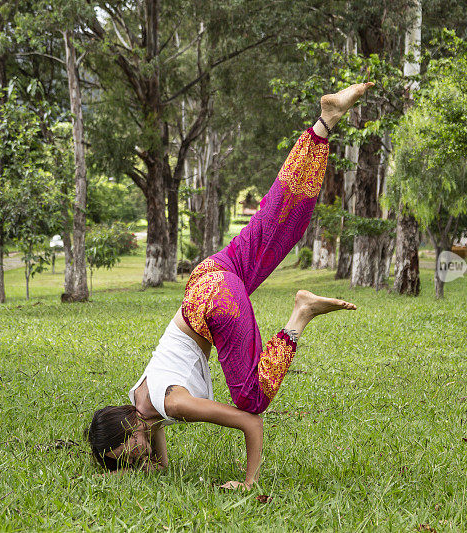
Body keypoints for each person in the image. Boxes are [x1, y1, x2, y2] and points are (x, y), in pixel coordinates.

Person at [86, 82, 374, 489]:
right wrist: (158, 464)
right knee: (279, 227)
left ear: (130, 426)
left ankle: (300, 314)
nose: (137, 457)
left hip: (217, 304)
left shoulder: (174, 404)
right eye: (131, 460)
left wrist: (248, 482)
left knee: (252, 397)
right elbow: (156, 434)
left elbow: (249, 423)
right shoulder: (139, 397)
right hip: (206, 281)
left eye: (130, 450)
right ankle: (324, 123)